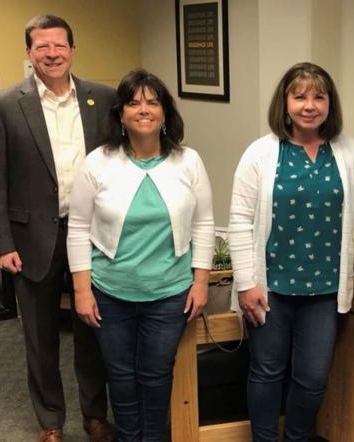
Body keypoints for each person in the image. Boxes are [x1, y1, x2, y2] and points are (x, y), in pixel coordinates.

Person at [228, 62, 354, 442]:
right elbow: (239, 220)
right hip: (270, 289)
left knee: (313, 378)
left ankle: (297, 438)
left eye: (319, 96)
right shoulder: (261, 153)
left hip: (324, 290)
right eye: (299, 95)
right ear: (284, 102)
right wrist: (246, 282)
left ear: (330, 103)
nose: (309, 105)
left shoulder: (346, 150)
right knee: (267, 372)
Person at [0, 15, 116, 442]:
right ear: (29, 53)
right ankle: (51, 423)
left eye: (59, 45)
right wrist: (0, 243)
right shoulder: (2, 105)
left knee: (92, 332)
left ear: (73, 50)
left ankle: (95, 416)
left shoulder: (103, 98)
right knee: (40, 340)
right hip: (31, 239)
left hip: (93, 237)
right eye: (42, 47)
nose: (52, 54)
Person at [66, 68, 215, 441]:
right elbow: (79, 229)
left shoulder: (189, 161)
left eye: (152, 102)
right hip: (110, 293)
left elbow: (203, 225)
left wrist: (201, 282)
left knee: (156, 376)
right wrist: (82, 291)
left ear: (165, 112)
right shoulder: (98, 162)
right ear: (120, 114)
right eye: (133, 103)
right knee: (120, 376)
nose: (143, 109)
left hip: (169, 294)